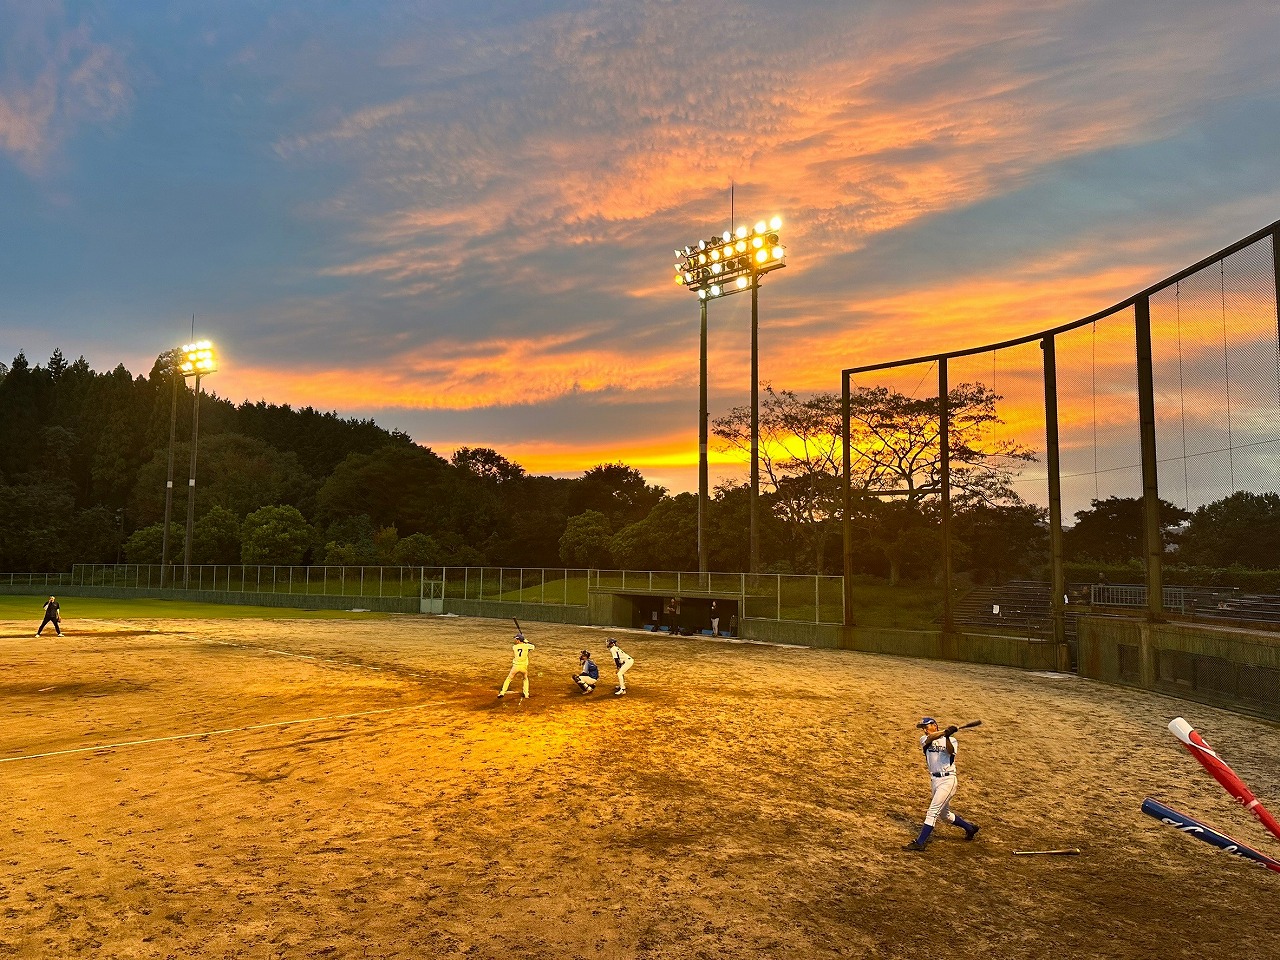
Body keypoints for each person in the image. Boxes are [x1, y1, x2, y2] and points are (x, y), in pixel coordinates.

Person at [904, 717, 979, 850]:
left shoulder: (952, 740)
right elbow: (930, 738)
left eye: (926, 726)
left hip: (948, 780)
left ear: (935, 725)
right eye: (923, 727)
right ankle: (970, 828)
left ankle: (920, 843)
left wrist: (948, 737)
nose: (924, 730)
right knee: (944, 815)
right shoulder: (924, 739)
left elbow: (950, 751)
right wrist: (946, 732)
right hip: (935, 781)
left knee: (932, 812)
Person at [498, 631, 535, 699]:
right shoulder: (526, 646)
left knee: (509, 679)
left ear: (518, 640)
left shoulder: (514, 647)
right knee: (525, 679)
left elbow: (522, 647)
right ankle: (526, 694)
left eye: (516, 639)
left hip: (515, 667)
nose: (515, 640)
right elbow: (533, 646)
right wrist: (526, 641)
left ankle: (502, 692)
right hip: (524, 667)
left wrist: (524, 642)